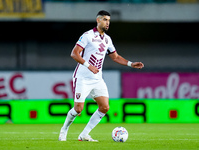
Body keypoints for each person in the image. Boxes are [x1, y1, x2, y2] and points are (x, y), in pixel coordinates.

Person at [59, 10, 144, 142]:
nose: (107, 23)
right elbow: (74, 53)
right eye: (105, 19)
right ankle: (64, 130)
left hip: (97, 79)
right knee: (78, 109)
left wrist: (130, 64)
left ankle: (84, 135)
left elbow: (115, 57)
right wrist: (89, 66)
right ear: (98, 20)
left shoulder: (107, 39)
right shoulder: (87, 35)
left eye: (109, 20)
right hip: (83, 77)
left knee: (104, 107)